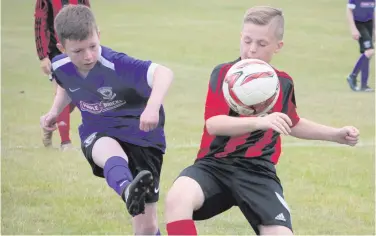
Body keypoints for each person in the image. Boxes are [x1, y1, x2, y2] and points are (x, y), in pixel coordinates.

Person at [164, 6, 360, 235]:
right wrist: (261, 121)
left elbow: (292, 122)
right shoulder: (225, 74)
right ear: (240, 37)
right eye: (247, 41)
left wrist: (336, 134)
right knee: (177, 198)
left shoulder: (283, 82)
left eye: (261, 44)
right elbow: (214, 124)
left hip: (258, 173)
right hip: (215, 165)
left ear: (278, 46)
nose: (252, 49)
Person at [39, 5, 174, 235]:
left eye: (92, 46)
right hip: (98, 128)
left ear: (99, 35)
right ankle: (127, 190)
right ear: (62, 48)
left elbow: (164, 73)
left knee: (147, 228)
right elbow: (66, 87)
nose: (88, 56)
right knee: (108, 150)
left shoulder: (116, 63)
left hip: (142, 134)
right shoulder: (60, 66)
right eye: (78, 51)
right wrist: (54, 111)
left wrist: (152, 108)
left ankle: (132, 192)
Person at [34, 0, 91, 150]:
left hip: (79, 48)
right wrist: (43, 56)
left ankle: (47, 120)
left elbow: (87, 16)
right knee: (63, 90)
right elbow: (40, 24)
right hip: (56, 52)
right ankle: (65, 142)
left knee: (70, 101)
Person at [346, 0, 375, 92]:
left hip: (369, 23)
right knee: (369, 51)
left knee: (367, 54)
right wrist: (353, 28)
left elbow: (373, 12)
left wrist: (374, 29)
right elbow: (349, 11)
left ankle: (363, 85)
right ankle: (352, 76)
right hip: (358, 24)